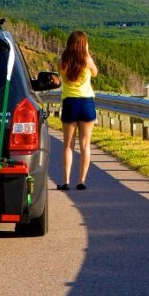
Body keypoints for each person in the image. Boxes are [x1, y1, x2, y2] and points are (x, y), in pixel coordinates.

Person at [58, 30, 98, 190]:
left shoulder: (62, 62)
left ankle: (66, 181)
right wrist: (87, 52)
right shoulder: (87, 60)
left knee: (68, 145)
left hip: (70, 103)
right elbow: (95, 73)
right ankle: (81, 181)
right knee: (85, 145)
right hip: (87, 103)